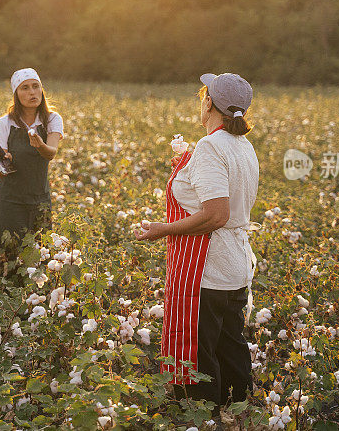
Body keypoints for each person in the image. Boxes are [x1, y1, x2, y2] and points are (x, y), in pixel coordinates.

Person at [135, 72, 259, 428]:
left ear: (208, 103)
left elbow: (216, 214)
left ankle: (202, 419)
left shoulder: (211, 147)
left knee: (200, 353)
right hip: (235, 264)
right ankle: (238, 415)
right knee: (230, 344)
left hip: (208, 266)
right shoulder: (243, 146)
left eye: (201, 96)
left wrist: (163, 230)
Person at [0, 68, 63, 271]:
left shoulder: (52, 120)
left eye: (35, 86)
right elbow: (0, 171)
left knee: (40, 255)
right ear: (16, 94)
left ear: (42, 89)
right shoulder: (4, 123)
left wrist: (39, 144)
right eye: (25, 88)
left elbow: (51, 153)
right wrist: (5, 161)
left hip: (39, 198)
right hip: (9, 200)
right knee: (7, 256)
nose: (32, 92)